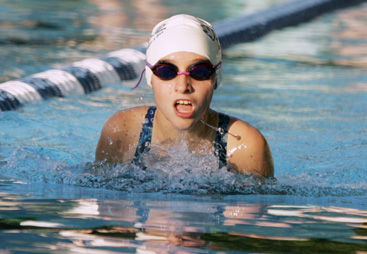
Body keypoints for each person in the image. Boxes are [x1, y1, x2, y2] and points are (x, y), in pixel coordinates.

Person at [95, 14, 274, 178]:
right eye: (167, 71)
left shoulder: (244, 147)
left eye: (199, 71)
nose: (183, 86)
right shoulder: (124, 131)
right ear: (151, 78)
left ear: (215, 78)